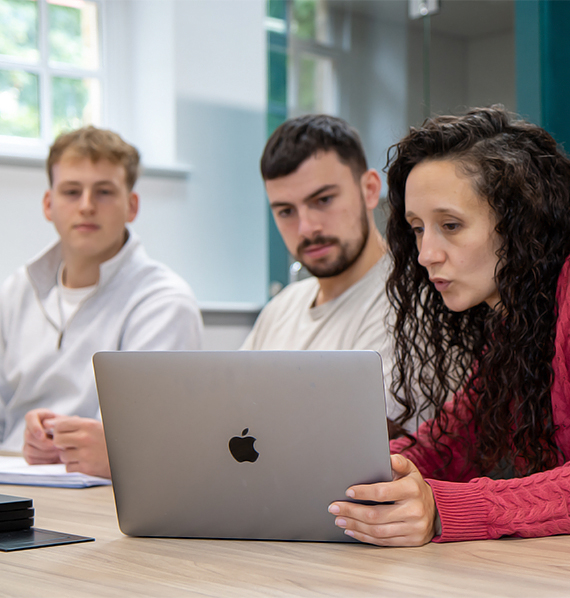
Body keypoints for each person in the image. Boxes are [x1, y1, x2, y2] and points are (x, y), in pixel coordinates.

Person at [327, 106, 570, 546]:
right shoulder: (513, 328)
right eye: (418, 229)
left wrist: (442, 509)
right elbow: (446, 446)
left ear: (523, 222)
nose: (425, 255)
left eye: (451, 226)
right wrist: (354, 474)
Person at [0, 126, 203, 478]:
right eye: (72, 191)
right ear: (49, 204)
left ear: (132, 205)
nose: (87, 206)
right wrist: (31, 437)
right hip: (13, 475)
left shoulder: (164, 301)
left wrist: (70, 442)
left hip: (105, 492)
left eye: (105, 192)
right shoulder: (15, 291)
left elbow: (155, 441)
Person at [241, 114, 404, 430]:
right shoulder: (281, 308)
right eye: (286, 211)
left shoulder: (407, 300)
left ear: (370, 189)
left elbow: (366, 444)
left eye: (323, 199)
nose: (306, 228)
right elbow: (230, 414)